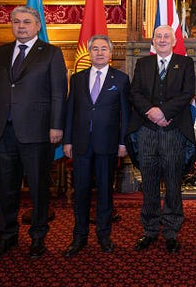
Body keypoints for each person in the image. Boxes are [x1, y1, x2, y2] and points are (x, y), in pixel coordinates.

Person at [0, 6, 67, 260]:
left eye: (27, 22)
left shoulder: (51, 53)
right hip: (3, 131)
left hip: (37, 132)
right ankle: (7, 235)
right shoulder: (0, 52)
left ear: (38, 26)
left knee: (38, 188)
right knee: (5, 188)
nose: (21, 26)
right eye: (16, 21)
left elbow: (58, 92)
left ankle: (38, 236)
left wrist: (56, 125)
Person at [127, 25, 195, 253]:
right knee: (149, 182)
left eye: (167, 36)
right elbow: (135, 93)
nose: (163, 39)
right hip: (146, 131)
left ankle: (172, 231)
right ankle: (149, 230)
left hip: (173, 131)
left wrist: (164, 112)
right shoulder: (143, 63)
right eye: (158, 36)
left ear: (174, 41)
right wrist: (152, 112)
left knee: (173, 183)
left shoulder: (185, 63)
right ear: (153, 41)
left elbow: (187, 93)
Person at [62, 35, 130, 257]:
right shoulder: (77, 79)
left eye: (103, 49)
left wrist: (123, 142)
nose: (99, 53)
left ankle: (104, 235)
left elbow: (125, 114)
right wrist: (67, 140)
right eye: (95, 49)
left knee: (105, 192)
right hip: (81, 143)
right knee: (81, 191)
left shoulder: (121, 79)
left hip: (107, 144)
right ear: (89, 53)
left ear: (110, 54)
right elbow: (70, 111)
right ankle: (79, 236)